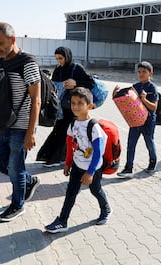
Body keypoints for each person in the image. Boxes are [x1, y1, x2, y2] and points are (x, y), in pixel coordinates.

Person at [0, 22, 41, 222]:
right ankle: (29, 181)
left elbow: (36, 99)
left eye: (0, 43)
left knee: (16, 167)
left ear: (12, 40)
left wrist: (31, 132)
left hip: (21, 128)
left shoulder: (27, 63)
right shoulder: (0, 61)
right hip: (2, 125)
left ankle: (17, 205)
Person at [45, 87, 111, 233]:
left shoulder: (94, 127)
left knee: (96, 190)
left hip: (93, 168)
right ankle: (62, 221)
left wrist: (90, 172)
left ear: (90, 106)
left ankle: (106, 209)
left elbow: (98, 152)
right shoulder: (73, 124)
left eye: (80, 103)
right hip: (77, 165)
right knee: (70, 193)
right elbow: (70, 146)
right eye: (73, 103)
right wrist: (68, 163)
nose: (75, 106)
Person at [36, 47, 94, 167]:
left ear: (67, 56)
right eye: (57, 59)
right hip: (61, 108)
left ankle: (55, 158)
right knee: (59, 131)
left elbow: (90, 83)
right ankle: (57, 157)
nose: (59, 61)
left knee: (64, 132)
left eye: (61, 58)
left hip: (74, 107)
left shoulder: (77, 68)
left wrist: (75, 83)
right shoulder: (58, 69)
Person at [114, 61, 159, 177]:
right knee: (131, 144)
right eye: (139, 72)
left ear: (151, 74)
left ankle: (153, 163)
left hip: (148, 121)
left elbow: (154, 107)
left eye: (144, 72)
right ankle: (128, 168)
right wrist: (115, 95)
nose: (141, 74)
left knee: (149, 142)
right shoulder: (135, 86)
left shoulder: (152, 88)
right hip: (135, 120)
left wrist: (144, 100)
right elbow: (125, 100)